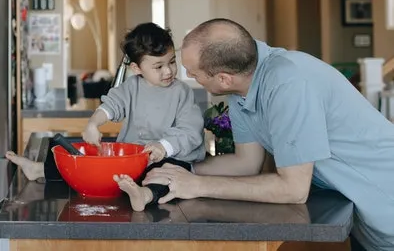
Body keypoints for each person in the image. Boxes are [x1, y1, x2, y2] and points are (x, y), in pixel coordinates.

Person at [142, 18, 394, 251]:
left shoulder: (288, 83)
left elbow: (294, 189)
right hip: (366, 220)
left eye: (193, 73)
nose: (188, 77)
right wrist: (179, 168)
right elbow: (246, 163)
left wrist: (197, 185)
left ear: (223, 79)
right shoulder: (244, 86)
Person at [6, 23, 206, 211]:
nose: (168, 71)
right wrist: (93, 123)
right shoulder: (131, 87)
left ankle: (144, 195)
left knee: (167, 173)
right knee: (94, 167)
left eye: (171, 62)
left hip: (170, 158)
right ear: (137, 68)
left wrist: (163, 147)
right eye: (158, 66)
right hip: (134, 161)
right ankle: (39, 170)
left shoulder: (182, 93)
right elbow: (112, 105)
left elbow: (190, 131)